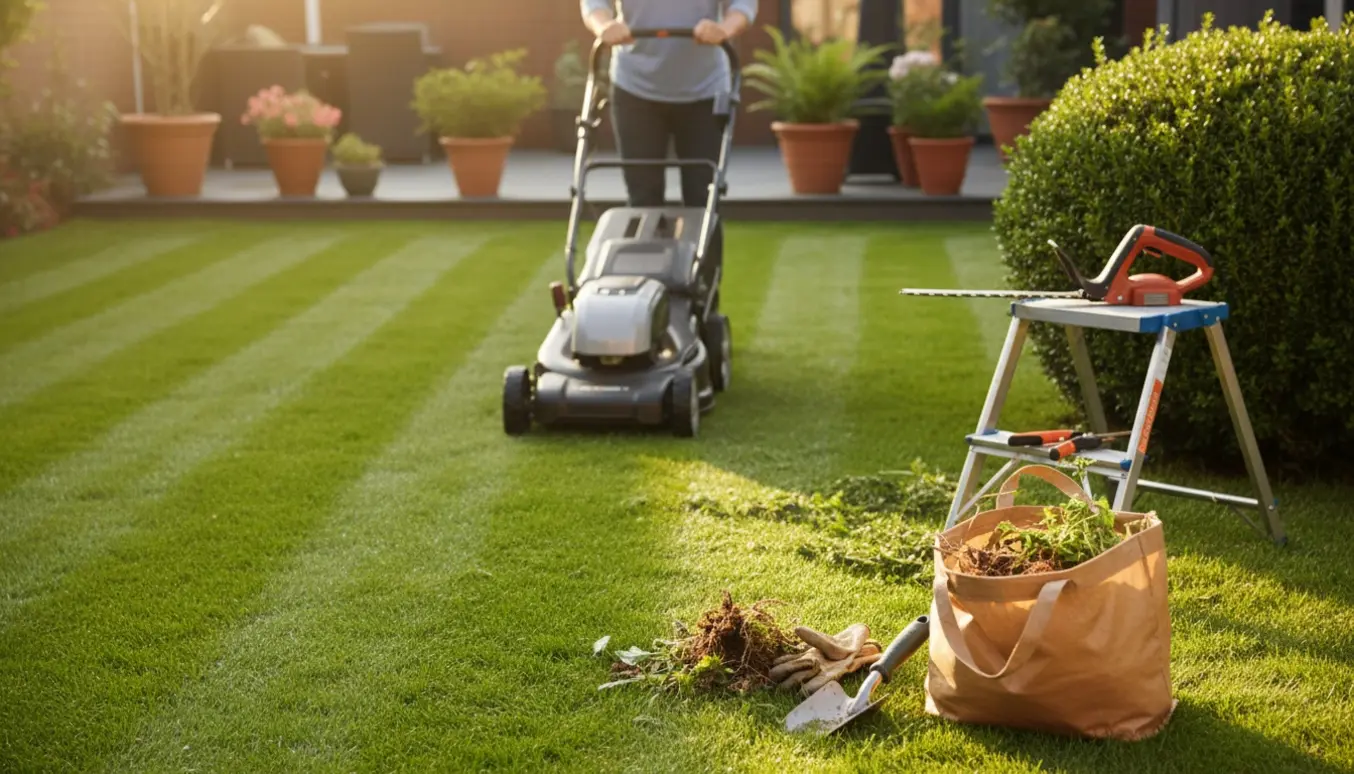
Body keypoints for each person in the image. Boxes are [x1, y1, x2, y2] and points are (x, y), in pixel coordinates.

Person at [580, 1, 757, 209]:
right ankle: (645, 242)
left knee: (704, 198)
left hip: (705, 89)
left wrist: (724, 29)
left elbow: (744, 4)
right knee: (643, 197)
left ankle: (703, 241)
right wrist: (604, 25)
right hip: (635, 88)